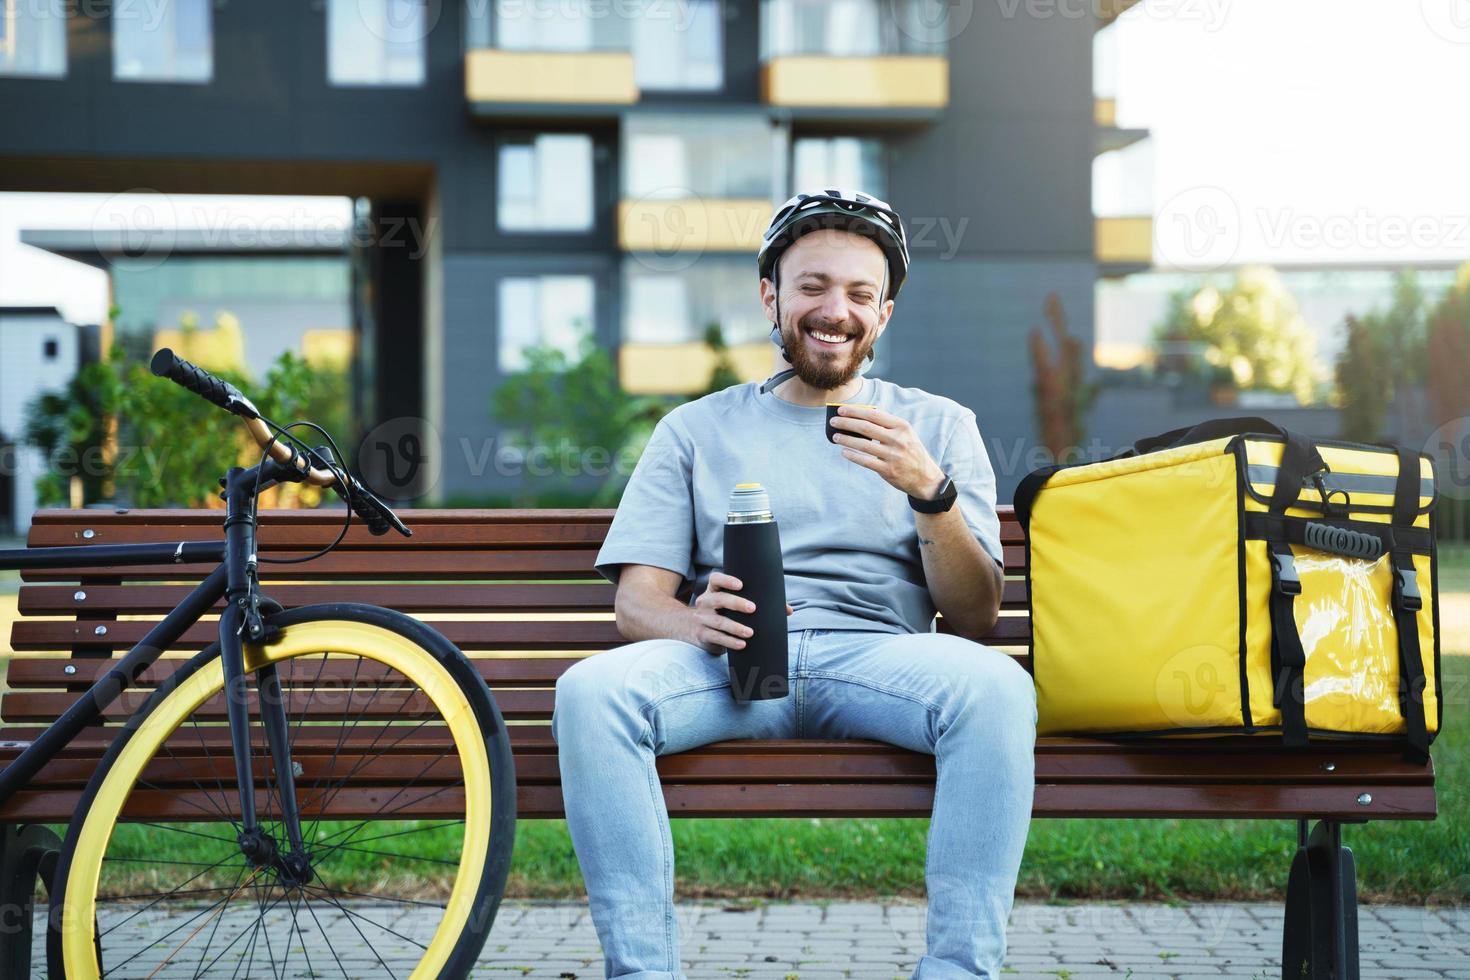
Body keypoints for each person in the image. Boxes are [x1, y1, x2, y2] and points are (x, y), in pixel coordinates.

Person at [551, 189, 1037, 980]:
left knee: (999, 690)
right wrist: (694, 625)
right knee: (590, 693)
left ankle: (956, 973)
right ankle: (642, 974)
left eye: (858, 293)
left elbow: (975, 617)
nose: (833, 309)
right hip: (732, 671)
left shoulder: (939, 427)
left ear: (883, 314)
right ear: (772, 296)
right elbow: (637, 601)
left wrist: (931, 493)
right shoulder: (695, 429)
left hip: (881, 662)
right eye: (812, 286)